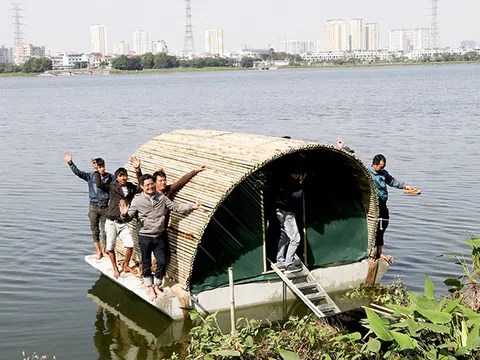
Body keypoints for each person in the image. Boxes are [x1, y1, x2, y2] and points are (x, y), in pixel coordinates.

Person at [119, 174, 201, 300]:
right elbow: (128, 217)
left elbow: (175, 207)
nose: (151, 186)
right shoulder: (137, 201)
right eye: (147, 185)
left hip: (159, 235)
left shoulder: (161, 197)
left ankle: (157, 285)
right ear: (141, 186)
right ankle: (150, 287)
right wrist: (124, 214)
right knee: (146, 263)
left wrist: (191, 206)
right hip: (145, 236)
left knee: (162, 262)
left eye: (152, 183)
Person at [93, 160, 140, 279]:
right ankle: (115, 268)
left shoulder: (131, 187)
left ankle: (125, 265)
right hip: (111, 222)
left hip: (123, 222)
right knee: (110, 247)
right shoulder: (112, 187)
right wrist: (96, 171)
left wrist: (137, 170)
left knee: (130, 244)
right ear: (117, 178)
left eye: (125, 175)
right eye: (120, 176)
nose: (123, 178)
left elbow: (141, 186)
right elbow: (99, 185)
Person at [63, 152, 114, 259]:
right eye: (100, 167)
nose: (102, 169)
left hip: (105, 207)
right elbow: (78, 173)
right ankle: (98, 251)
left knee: (106, 230)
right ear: (96, 167)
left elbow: (120, 180)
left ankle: (104, 250)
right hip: (93, 207)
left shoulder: (110, 177)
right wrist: (70, 163)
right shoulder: (90, 176)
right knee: (95, 229)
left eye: (103, 166)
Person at [369, 154, 414, 262]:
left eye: (384, 166)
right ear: (374, 165)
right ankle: (371, 253)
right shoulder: (368, 174)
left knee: (383, 226)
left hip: (383, 204)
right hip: (373, 206)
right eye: (381, 166)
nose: (382, 168)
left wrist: (404, 186)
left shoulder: (383, 173)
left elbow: (392, 181)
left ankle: (379, 252)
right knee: (373, 228)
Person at [130, 156, 205, 199]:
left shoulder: (168, 190)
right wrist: (137, 169)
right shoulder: (151, 191)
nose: (163, 182)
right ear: (154, 183)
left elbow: (181, 182)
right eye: (160, 181)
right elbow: (142, 182)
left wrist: (195, 171)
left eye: (164, 180)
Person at [275, 172, 305, 273]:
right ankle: (289, 264)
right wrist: (301, 185)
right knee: (295, 238)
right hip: (286, 213)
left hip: (279, 211)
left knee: (285, 235)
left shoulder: (281, 181)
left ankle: (280, 258)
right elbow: (297, 197)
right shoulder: (292, 184)